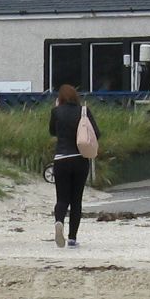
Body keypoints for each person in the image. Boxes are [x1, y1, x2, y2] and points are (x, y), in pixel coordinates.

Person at [48, 84, 99, 248]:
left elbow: (52, 132)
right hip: (79, 159)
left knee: (62, 198)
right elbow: (96, 133)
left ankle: (59, 221)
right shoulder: (83, 111)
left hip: (61, 158)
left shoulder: (56, 112)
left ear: (60, 98)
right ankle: (72, 238)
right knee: (76, 200)